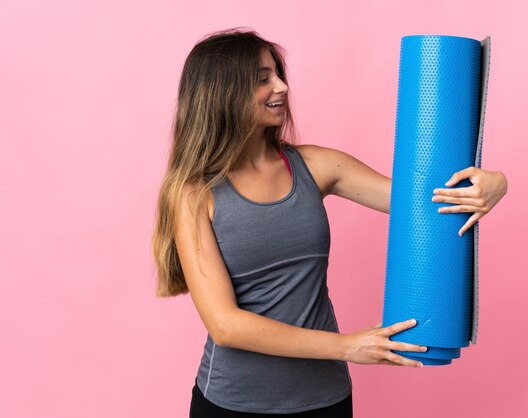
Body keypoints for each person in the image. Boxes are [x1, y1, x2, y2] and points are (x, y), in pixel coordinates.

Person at [151, 28, 508, 418]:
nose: (282, 87)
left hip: (326, 398)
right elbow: (225, 325)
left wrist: (495, 184)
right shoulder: (193, 194)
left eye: (278, 73)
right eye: (263, 79)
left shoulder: (315, 166)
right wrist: (347, 346)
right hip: (234, 403)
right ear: (222, 93)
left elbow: (422, 203)